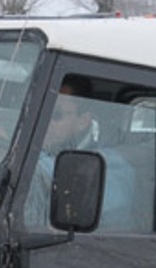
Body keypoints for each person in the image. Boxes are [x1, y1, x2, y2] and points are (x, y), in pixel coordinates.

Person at [22, 79, 139, 230]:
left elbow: (46, 172)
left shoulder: (112, 168)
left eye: (55, 114)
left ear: (83, 121)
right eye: (40, 113)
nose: (43, 123)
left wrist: (4, 145)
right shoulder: (45, 152)